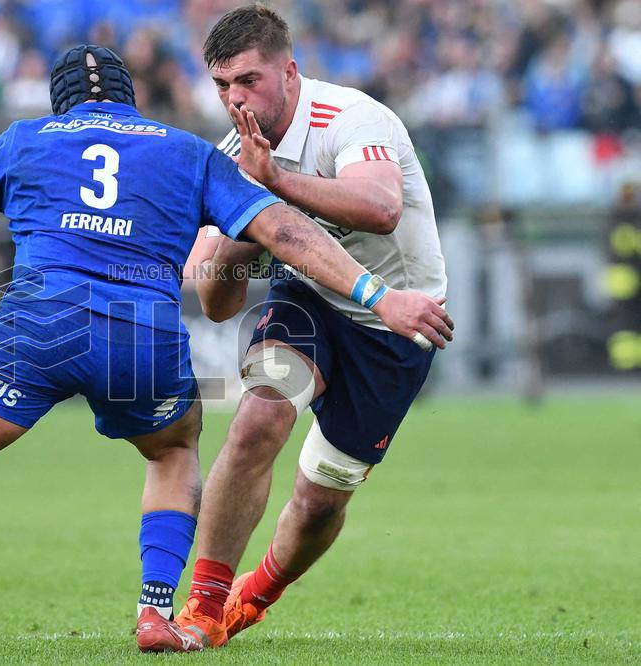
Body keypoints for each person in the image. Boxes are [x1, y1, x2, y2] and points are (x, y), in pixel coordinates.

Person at [0, 43, 452, 657]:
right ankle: (156, 613)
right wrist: (377, 293)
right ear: (131, 101)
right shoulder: (187, 152)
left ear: (59, 104)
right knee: (174, 451)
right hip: (139, 337)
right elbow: (289, 237)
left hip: (38, 329)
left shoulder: (24, 141)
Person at [173, 5, 453, 649]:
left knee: (323, 497)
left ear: (290, 72)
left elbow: (381, 208)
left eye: (248, 81)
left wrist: (277, 185)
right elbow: (215, 301)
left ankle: (259, 591)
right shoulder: (230, 158)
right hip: (309, 299)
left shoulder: (351, 118)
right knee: (260, 415)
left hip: (398, 323)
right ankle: (205, 605)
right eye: (222, 86)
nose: (234, 99)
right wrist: (241, 237)